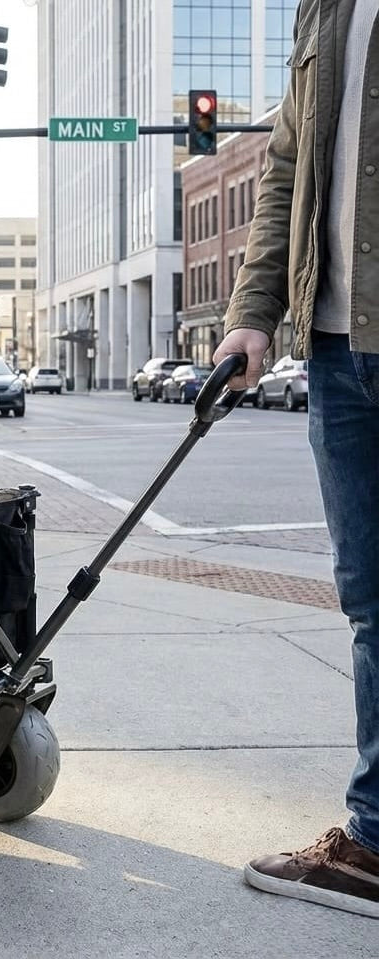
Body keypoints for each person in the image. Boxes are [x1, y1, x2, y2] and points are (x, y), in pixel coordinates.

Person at [212, 0, 379, 918]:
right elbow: (286, 167)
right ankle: (376, 841)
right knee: (371, 599)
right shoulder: (326, 8)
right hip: (339, 344)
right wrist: (254, 312)